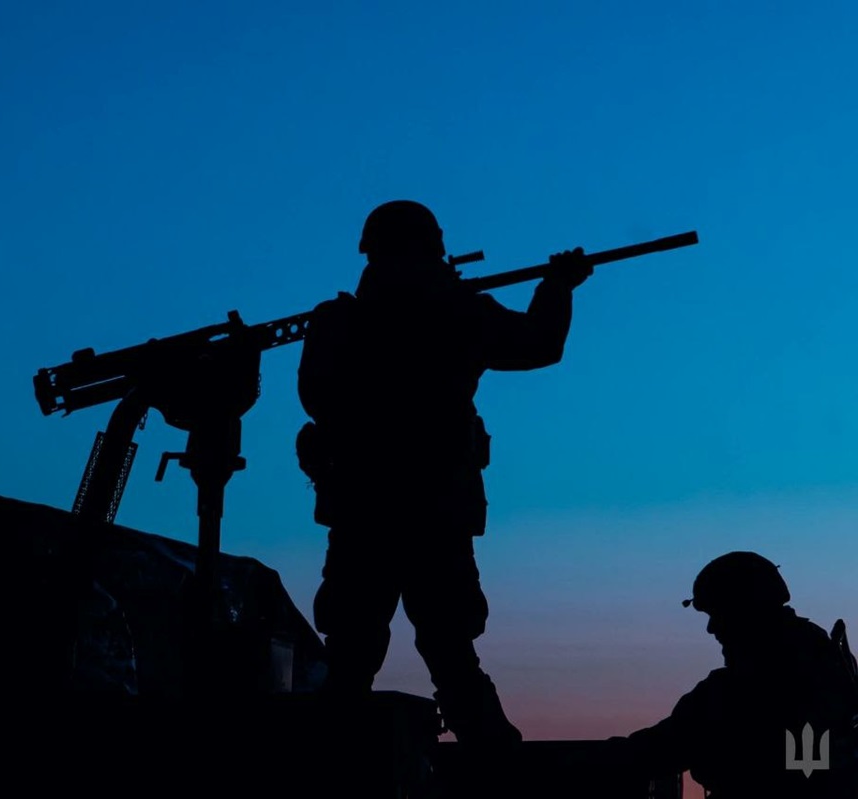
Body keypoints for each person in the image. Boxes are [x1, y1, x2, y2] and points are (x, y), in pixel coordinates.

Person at [295, 200, 593, 752]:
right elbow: (539, 343)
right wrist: (557, 287)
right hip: (427, 511)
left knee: (359, 656)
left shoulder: (342, 321)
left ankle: (335, 763)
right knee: (445, 653)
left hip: (368, 510)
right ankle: (495, 769)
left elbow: (317, 397)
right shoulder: (456, 312)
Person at [605, 551, 858, 798]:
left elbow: (662, 748)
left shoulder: (739, 690)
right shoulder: (825, 662)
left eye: (718, 614)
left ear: (745, 611)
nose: (711, 628)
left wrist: (595, 758)